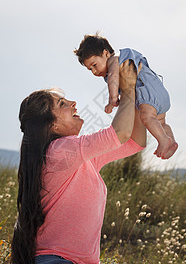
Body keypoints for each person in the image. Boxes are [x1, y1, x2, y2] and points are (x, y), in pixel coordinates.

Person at [11, 60, 146, 264]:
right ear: (52, 125)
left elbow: (135, 141)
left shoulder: (77, 157)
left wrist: (134, 92)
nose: (73, 103)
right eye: (62, 104)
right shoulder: (59, 152)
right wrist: (126, 90)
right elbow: (120, 133)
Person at [74, 34, 178, 160]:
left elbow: (113, 77)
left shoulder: (115, 60)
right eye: (90, 69)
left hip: (147, 91)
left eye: (94, 65)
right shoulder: (121, 61)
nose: (94, 72)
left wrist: (112, 100)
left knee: (147, 117)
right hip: (159, 92)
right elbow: (121, 83)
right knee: (161, 122)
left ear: (106, 53)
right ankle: (170, 142)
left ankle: (163, 140)